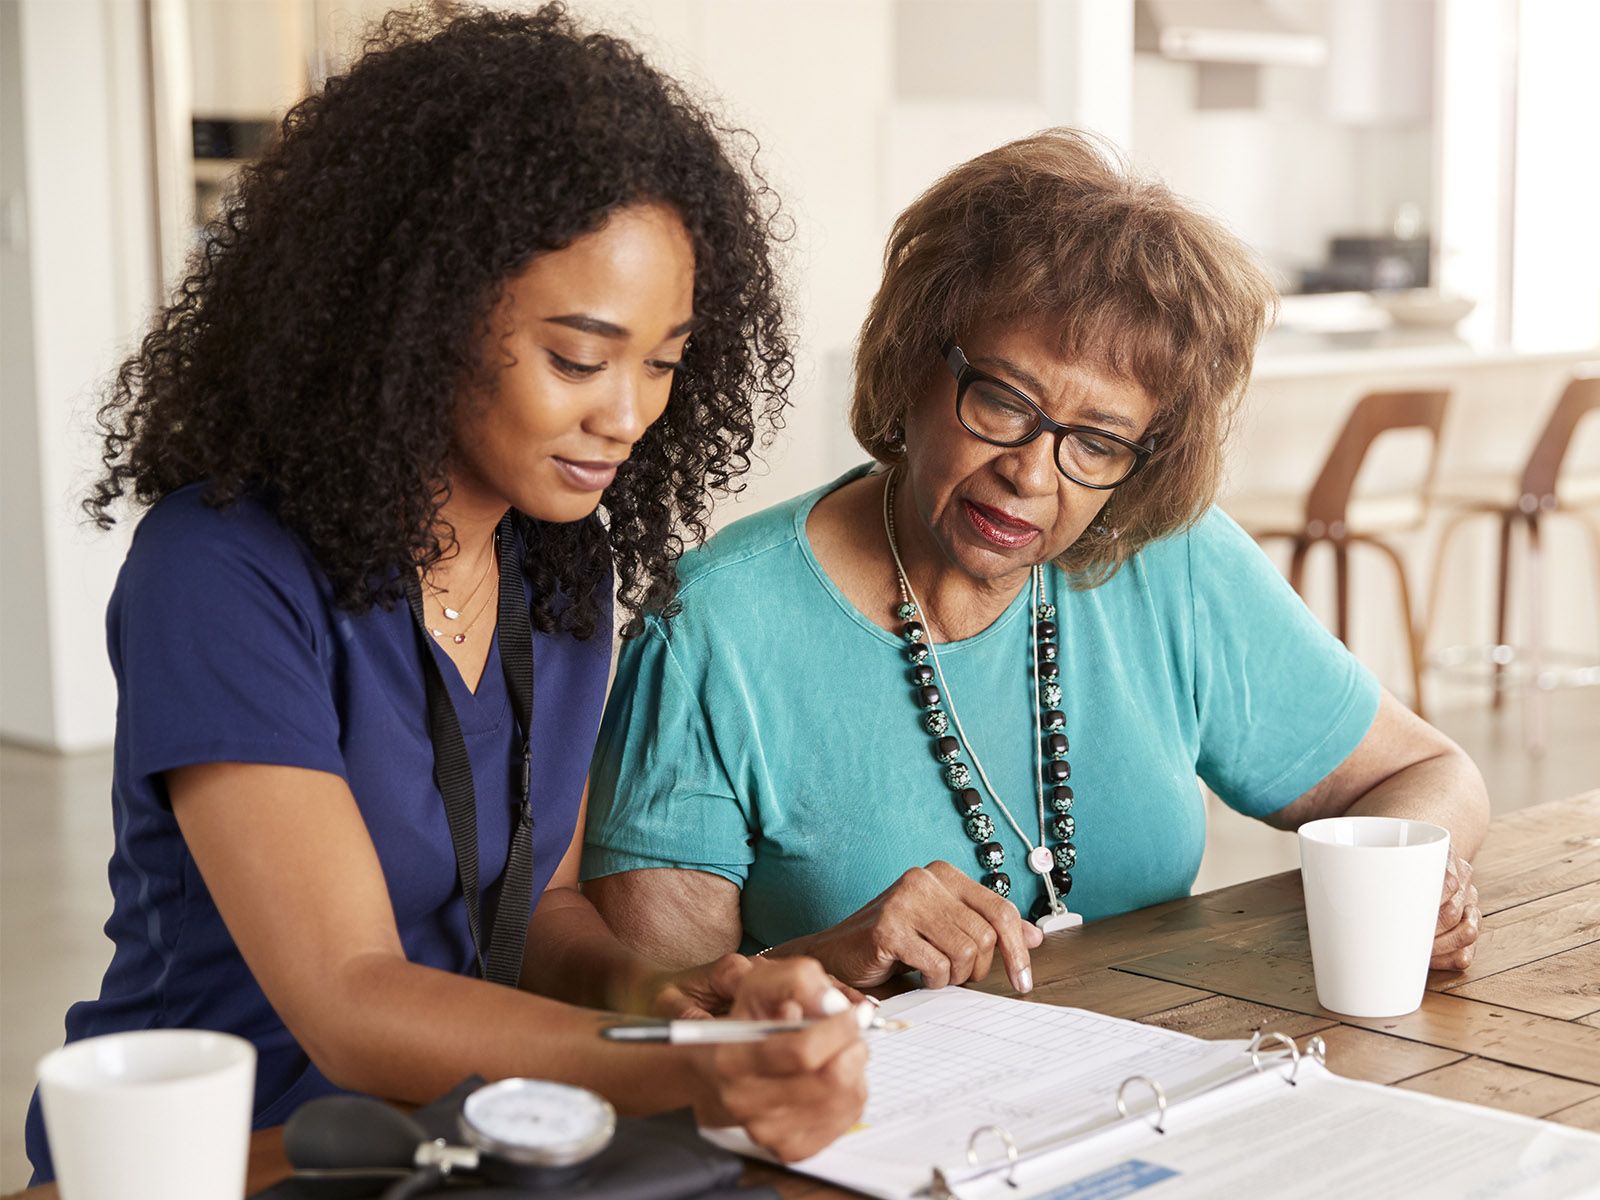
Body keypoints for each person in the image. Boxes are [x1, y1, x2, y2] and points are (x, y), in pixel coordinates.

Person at [24, 7, 866, 1182]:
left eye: (663, 362)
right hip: (218, 1159)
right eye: (577, 358)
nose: (625, 415)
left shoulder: (560, 561)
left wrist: (685, 1001)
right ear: (414, 318)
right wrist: (679, 1068)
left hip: (458, 1144)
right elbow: (352, 1001)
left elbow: (543, 915)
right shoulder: (218, 570)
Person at [582, 130, 1488, 999]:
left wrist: (1417, 876)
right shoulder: (713, 628)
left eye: (1096, 443)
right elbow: (657, 1017)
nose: (1030, 472)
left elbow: (1428, 774)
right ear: (913, 365)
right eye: (1004, 402)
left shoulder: (1169, 563)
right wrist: (828, 960)